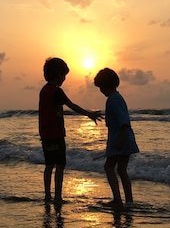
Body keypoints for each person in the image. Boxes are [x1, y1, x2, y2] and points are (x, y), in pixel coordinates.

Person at [39, 57, 102, 205]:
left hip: (45, 134)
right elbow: (71, 105)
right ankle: (58, 197)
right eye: (64, 76)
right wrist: (89, 114)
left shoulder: (43, 91)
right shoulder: (57, 91)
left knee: (49, 165)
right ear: (58, 75)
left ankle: (48, 195)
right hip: (56, 133)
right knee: (60, 165)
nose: (64, 79)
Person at [94, 67, 139, 209]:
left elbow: (123, 121)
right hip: (124, 139)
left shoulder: (113, 100)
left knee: (109, 167)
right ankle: (129, 201)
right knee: (121, 170)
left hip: (120, 139)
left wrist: (120, 140)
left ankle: (118, 199)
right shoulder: (117, 97)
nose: (101, 91)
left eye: (101, 87)